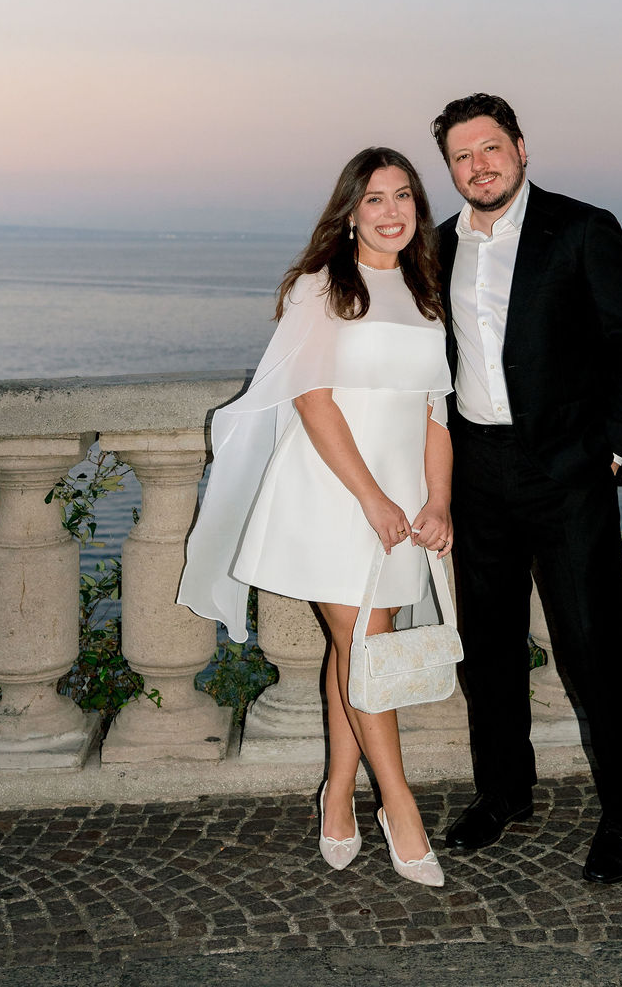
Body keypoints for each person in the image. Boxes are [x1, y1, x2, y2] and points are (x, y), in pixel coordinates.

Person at [177, 148, 453, 888]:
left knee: (355, 644)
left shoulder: (428, 292)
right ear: (350, 211)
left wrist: (438, 502)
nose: (391, 211)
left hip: (403, 502)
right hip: (335, 493)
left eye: (404, 197)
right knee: (366, 641)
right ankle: (400, 805)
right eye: (374, 199)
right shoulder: (322, 287)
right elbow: (312, 400)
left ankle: (336, 789)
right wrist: (372, 498)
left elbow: (435, 412)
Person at [431, 93, 622, 883]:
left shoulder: (582, 227)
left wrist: (614, 453)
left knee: (592, 649)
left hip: (567, 475)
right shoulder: (437, 248)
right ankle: (504, 794)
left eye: (490, 148)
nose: (478, 165)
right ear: (450, 169)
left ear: (522, 148)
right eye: (462, 156)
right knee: (487, 651)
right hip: (477, 475)